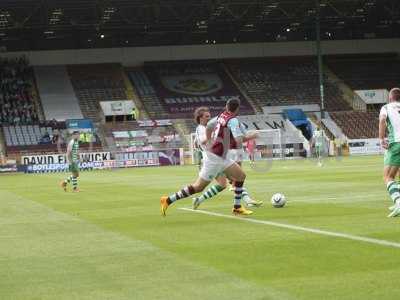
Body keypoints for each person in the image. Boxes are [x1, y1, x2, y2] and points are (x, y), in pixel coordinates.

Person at [160, 99, 258, 216]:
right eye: (206, 116)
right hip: (213, 160)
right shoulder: (205, 127)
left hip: (221, 157)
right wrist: (250, 136)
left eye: (209, 116)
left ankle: (237, 207)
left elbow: (212, 127)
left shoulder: (219, 119)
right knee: (198, 187)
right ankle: (168, 200)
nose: (208, 118)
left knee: (240, 176)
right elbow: (208, 140)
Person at [379, 88, 400, 217]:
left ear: (390, 98)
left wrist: (381, 139)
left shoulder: (386, 107)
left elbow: (382, 120)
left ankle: (398, 202)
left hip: (396, 143)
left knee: (388, 176)